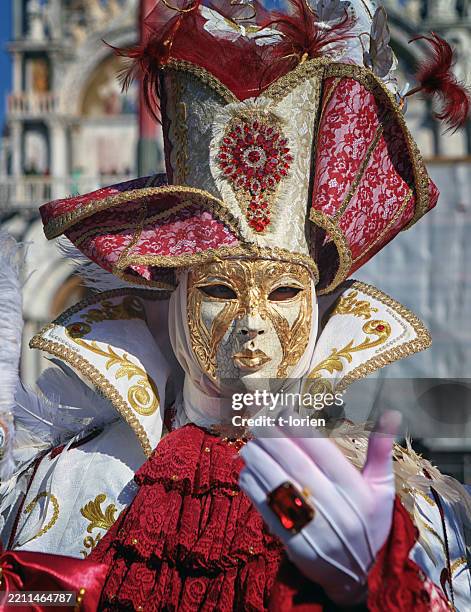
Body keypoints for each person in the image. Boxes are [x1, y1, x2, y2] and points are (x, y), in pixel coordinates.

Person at [1, 0, 470, 609]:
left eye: (282, 293)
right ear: (173, 304)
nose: (252, 325)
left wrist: (385, 582)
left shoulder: (385, 497)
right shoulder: (76, 480)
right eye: (219, 290)